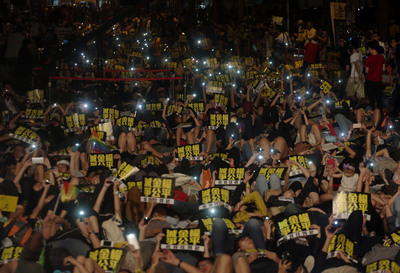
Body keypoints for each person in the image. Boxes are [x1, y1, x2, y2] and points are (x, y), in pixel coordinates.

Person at [364, 41, 386, 110]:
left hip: (370, 80)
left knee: (372, 98)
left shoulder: (368, 59)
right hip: (378, 80)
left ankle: (372, 112)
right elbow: (383, 69)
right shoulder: (381, 57)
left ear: (371, 48)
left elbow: (366, 71)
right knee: (379, 98)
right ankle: (380, 113)